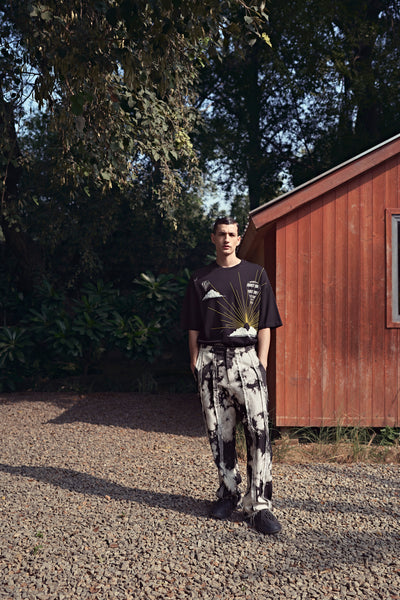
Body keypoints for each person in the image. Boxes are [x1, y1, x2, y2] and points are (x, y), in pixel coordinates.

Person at [181, 216, 283, 535]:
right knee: (218, 432)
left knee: (259, 431)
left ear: (239, 239)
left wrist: (261, 362)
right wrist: (196, 362)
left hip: (246, 358)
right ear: (212, 238)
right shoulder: (200, 278)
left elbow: (266, 323)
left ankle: (259, 506)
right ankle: (228, 493)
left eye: (232, 234)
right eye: (221, 234)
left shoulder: (256, 274)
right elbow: (193, 327)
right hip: (211, 359)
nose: (226, 239)